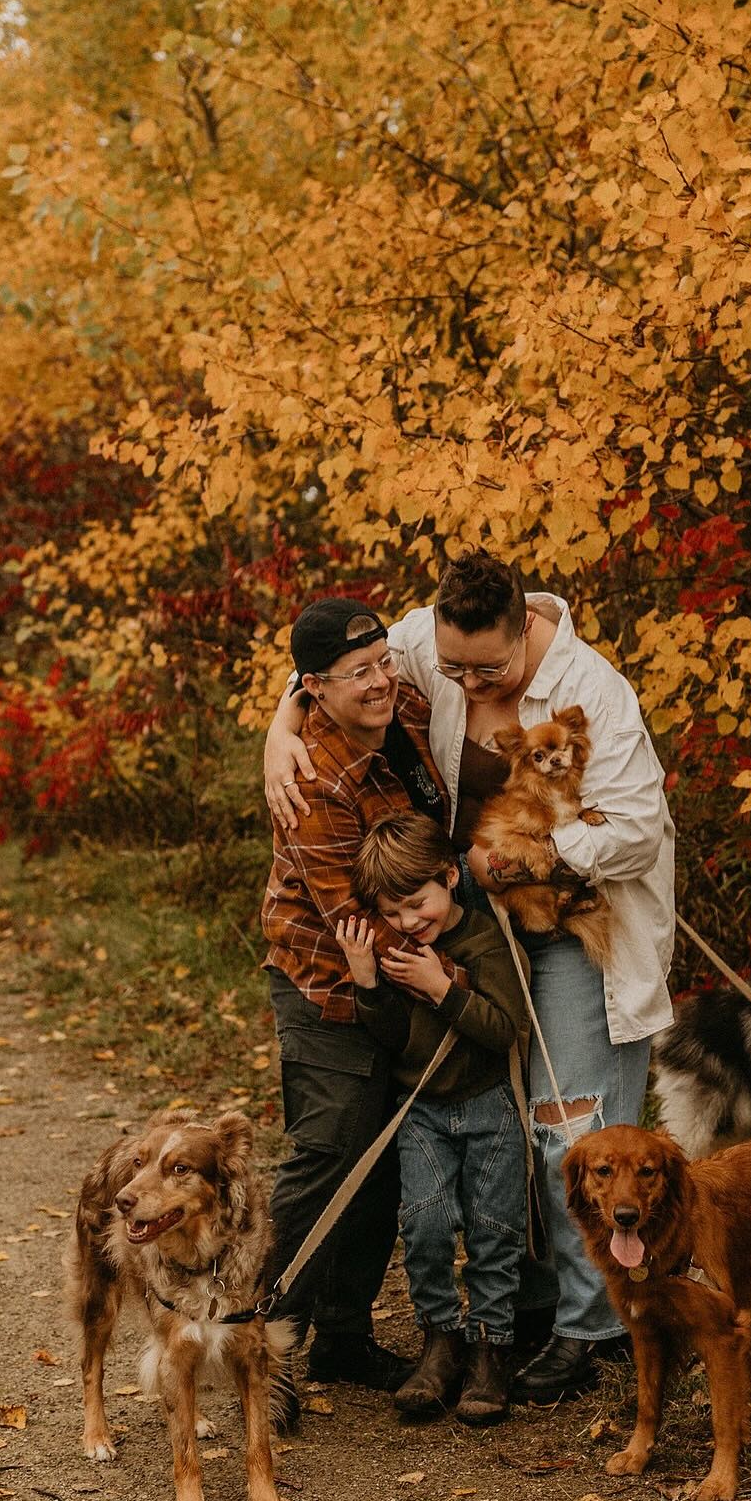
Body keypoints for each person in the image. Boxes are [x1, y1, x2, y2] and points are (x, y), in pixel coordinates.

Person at [265, 551, 675, 1401]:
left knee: (571, 1122)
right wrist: (282, 728)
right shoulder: (427, 642)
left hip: (573, 929)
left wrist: (530, 855)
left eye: (485, 667)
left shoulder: (593, 689)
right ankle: (525, 1304)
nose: (462, 678)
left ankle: (589, 1327)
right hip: (475, 926)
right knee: (512, 1127)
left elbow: (639, 828)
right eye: (450, 666)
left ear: (523, 625)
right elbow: (332, 674)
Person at [261, 595, 471, 1393]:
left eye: (384, 662)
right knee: (330, 1154)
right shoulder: (312, 777)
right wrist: (449, 970)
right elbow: (345, 917)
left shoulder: (407, 705)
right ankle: (266, 1336)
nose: (383, 681)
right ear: (315, 686)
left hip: (401, 977)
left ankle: (343, 1338)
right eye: (360, 675)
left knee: (383, 1161)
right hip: (325, 979)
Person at [336, 811, 527, 1426]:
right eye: (392, 915)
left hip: (488, 1107)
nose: (409, 923)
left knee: (494, 1231)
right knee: (423, 1227)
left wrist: (442, 987)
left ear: (450, 877)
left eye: (418, 904)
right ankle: (440, 1343)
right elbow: (395, 1039)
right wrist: (369, 984)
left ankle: (492, 1350)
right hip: (420, 1112)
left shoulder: (484, 942)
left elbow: (504, 1031)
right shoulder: (402, 953)